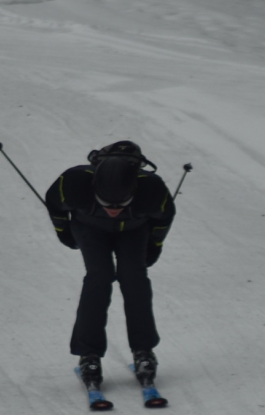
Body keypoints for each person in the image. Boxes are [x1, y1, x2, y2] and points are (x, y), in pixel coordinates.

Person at [45, 141, 175, 389]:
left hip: (134, 231)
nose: (114, 210)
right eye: (105, 203)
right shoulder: (73, 183)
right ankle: (89, 354)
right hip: (90, 228)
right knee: (99, 277)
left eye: (122, 205)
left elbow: (164, 218)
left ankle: (143, 351)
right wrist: (64, 232)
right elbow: (54, 205)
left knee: (134, 278)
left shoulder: (152, 189)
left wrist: (154, 245)